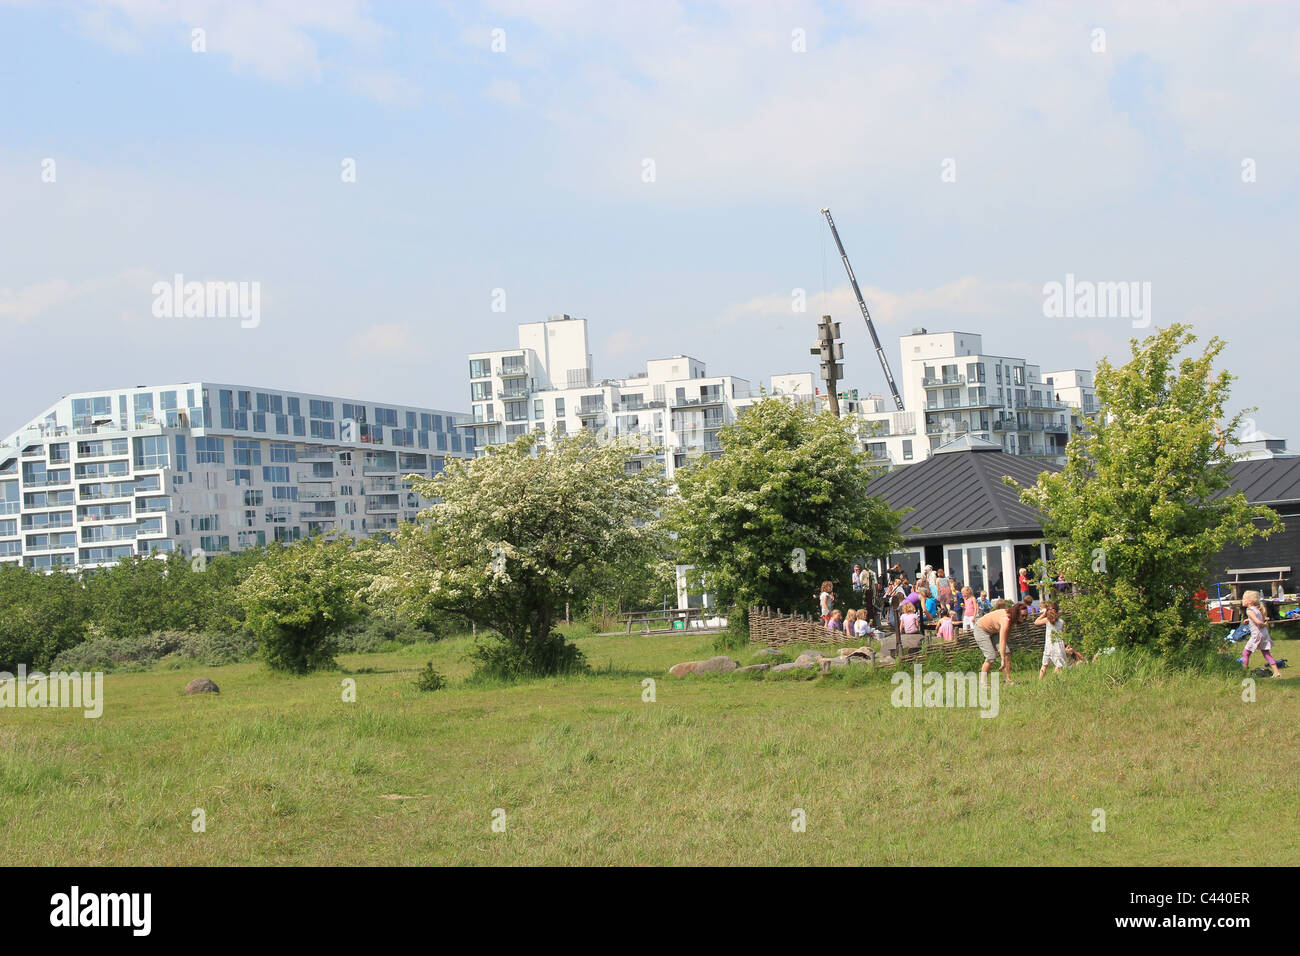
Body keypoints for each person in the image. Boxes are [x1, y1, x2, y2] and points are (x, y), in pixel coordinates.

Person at [975, 601, 1024, 686]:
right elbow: (1002, 641)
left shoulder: (1011, 619)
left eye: (1026, 615)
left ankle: (1007, 680)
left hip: (993, 631)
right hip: (981, 630)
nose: (1025, 618)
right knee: (991, 657)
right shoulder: (1006, 620)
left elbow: (1005, 638)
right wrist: (1002, 658)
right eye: (1023, 615)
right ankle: (983, 684)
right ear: (1017, 614)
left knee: (1006, 652)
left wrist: (1002, 650)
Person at [1241, 590, 1281, 678]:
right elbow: (1256, 618)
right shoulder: (1257, 609)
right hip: (1264, 634)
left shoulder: (1249, 610)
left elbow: (1258, 622)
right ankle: (1276, 672)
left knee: (1246, 653)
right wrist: (1249, 620)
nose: (1242, 600)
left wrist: (1264, 624)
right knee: (1266, 653)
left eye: (1244, 599)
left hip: (1257, 635)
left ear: (1249, 601)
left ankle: (1243, 673)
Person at [1035, 601, 1070, 678]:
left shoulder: (1047, 620)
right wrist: (1066, 644)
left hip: (1048, 645)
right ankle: (1054, 678)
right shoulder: (1061, 622)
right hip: (1058, 644)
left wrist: (1043, 614)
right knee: (1059, 664)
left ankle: (1040, 680)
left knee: (1044, 664)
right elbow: (1063, 635)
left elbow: (1036, 622)